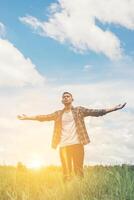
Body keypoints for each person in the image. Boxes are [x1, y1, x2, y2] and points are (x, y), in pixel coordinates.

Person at [17, 92, 126, 182]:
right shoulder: (58, 113)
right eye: (63, 97)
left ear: (72, 99)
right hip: (63, 146)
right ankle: (67, 193)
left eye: (68, 96)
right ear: (62, 101)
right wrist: (27, 117)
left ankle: (79, 192)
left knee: (78, 171)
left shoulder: (79, 110)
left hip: (77, 144)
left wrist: (114, 108)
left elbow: (96, 112)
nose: (65, 98)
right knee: (66, 173)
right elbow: (43, 117)